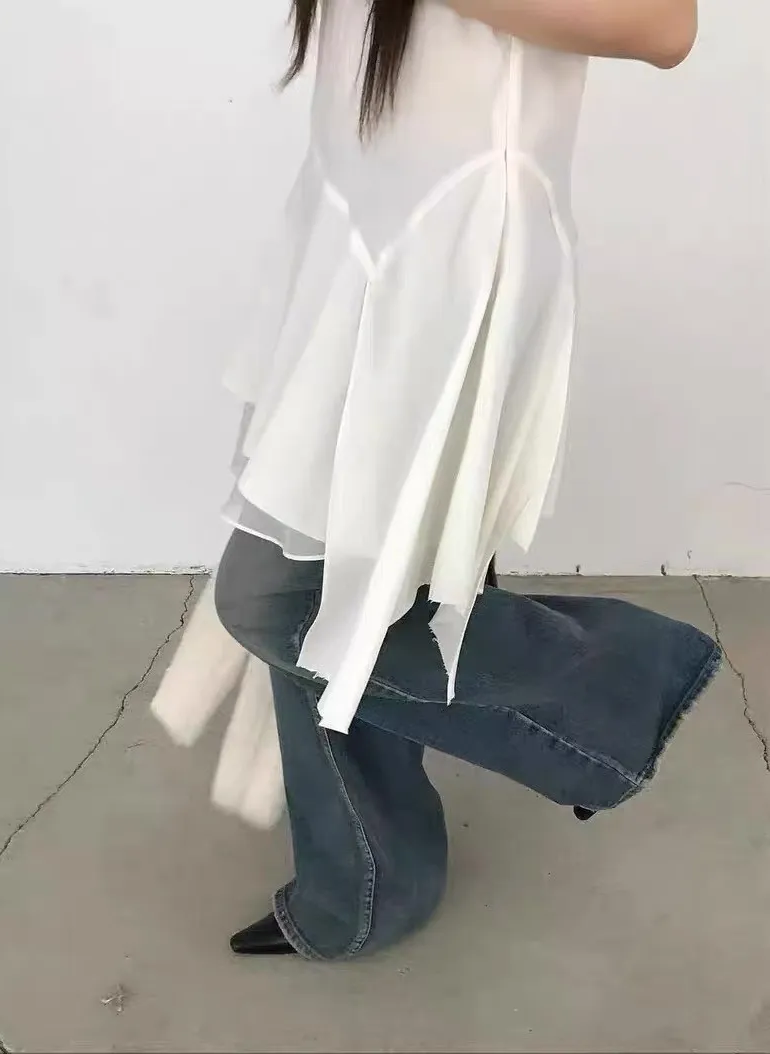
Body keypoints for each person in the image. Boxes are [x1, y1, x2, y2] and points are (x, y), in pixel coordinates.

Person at [212, 0, 716, 960]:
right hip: (361, 222)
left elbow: (663, 24)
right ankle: (364, 890)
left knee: (281, 598)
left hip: (449, 256)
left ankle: (615, 694)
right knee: (357, 584)